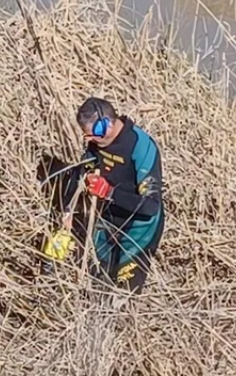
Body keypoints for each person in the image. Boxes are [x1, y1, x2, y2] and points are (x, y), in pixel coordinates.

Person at [37, 96, 165, 294]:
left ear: (107, 124)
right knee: (100, 285)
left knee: (123, 293)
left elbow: (151, 206)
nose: (89, 140)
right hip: (107, 221)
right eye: (86, 136)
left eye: (93, 134)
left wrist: (109, 191)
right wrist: (68, 212)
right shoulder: (95, 143)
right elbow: (81, 172)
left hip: (139, 230)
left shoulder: (141, 147)